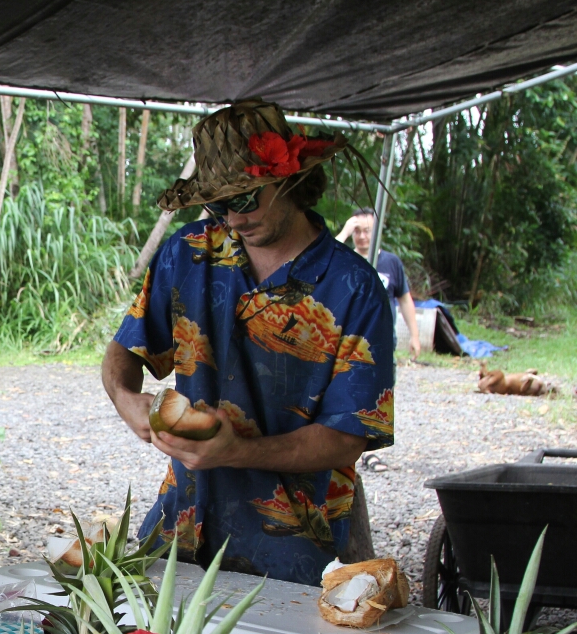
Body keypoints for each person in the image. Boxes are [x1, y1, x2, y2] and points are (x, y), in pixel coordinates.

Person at [102, 100, 395, 585]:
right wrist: (128, 400)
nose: (233, 219)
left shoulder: (354, 288)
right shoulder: (188, 253)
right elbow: (123, 352)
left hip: (299, 550)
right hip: (182, 528)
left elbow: (347, 436)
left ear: (291, 179)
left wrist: (235, 450)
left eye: (246, 199)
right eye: (218, 204)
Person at [338, 207, 421, 359]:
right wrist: (344, 233)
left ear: (377, 231)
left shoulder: (392, 262)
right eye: (357, 231)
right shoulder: (343, 259)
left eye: (367, 230)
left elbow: (405, 300)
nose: (362, 236)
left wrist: (414, 336)